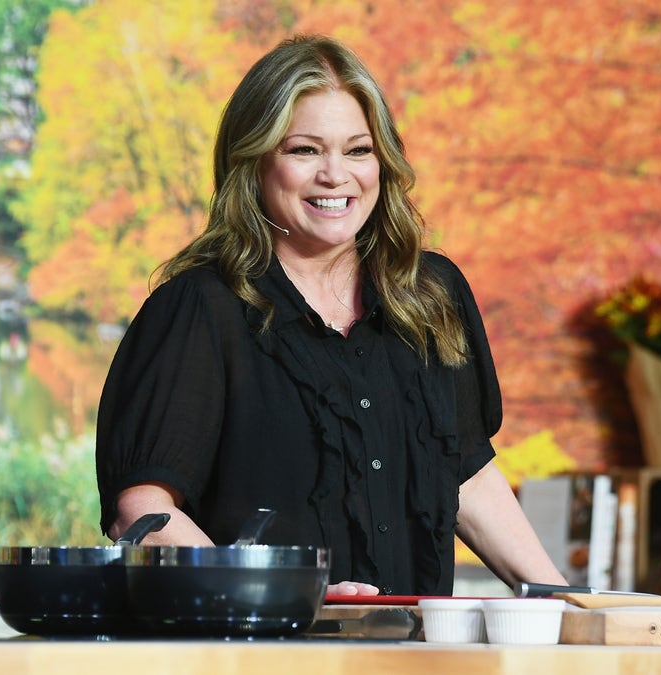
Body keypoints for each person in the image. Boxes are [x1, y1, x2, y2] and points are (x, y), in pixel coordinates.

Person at [96, 34, 567, 597]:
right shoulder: (199, 309)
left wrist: (570, 606)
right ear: (254, 161)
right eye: (304, 150)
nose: (335, 175)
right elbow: (141, 513)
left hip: (416, 654)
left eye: (358, 150)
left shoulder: (431, 294)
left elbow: (464, 473)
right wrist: (280, 601)